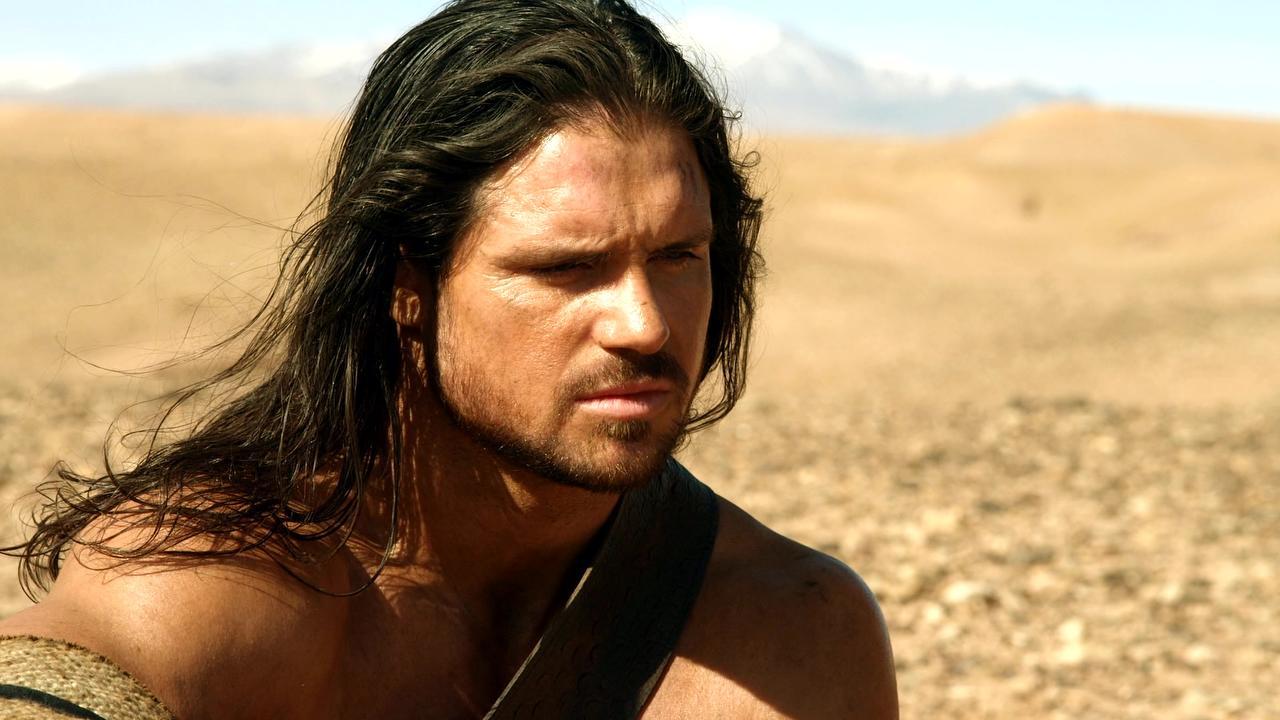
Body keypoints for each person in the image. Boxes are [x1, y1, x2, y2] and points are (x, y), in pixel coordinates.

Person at [0, 0, 898, 717]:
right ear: (407, 283)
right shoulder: (221, 583)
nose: (644, 324)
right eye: (565, 268)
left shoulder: (794, 634)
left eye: (677, 257)